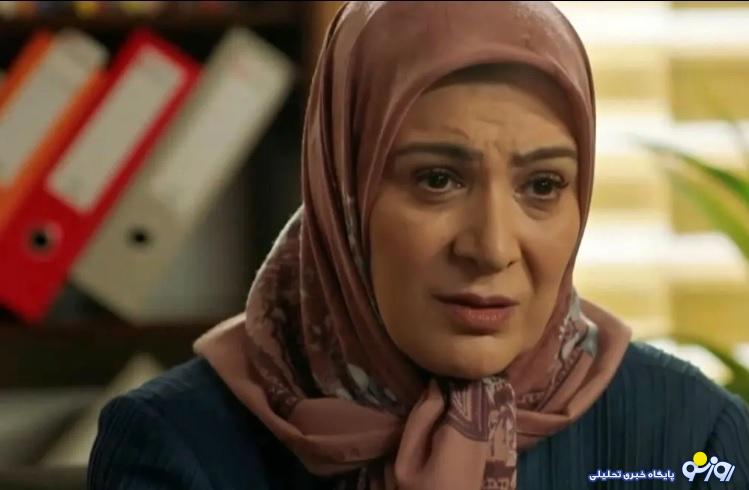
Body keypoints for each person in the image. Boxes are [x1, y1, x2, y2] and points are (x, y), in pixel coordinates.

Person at [88, 2, 749, 489]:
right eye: (437, 179)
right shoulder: (178, 445)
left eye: (543, 185)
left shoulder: (689, 438)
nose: (491, 247)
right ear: (342, 192)